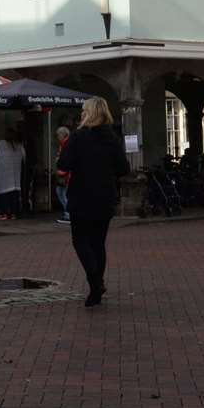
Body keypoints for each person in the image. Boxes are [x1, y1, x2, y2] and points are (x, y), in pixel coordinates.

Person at [56, 97, 130, 308]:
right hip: (105, 196)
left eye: (83, 110)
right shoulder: (112, 137)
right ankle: (97, 283)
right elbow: (123, 168)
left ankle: (95, 282)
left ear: (88, 113)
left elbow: (64, 164)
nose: (81, 114)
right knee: (98, 243)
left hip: (81, 196)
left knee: (80, 240)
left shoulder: (78, 137)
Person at [0, 128, 25, 220]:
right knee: (14, 195)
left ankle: (4, 214)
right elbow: (24, 157)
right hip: (15, 176)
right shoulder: (19, 145)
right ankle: (14, 214)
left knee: (3, 195)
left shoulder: (0, 144)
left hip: (3, 176)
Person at [54, 126, 72, 224]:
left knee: (63, 193)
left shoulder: (66, 144)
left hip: (66, 174)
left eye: (58, 135)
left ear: (63, 134)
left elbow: (66, 159)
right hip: (64, 172)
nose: (57, 137)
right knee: (61, 193)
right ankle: (67, 213)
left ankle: (68, 214)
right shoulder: (64, 144)